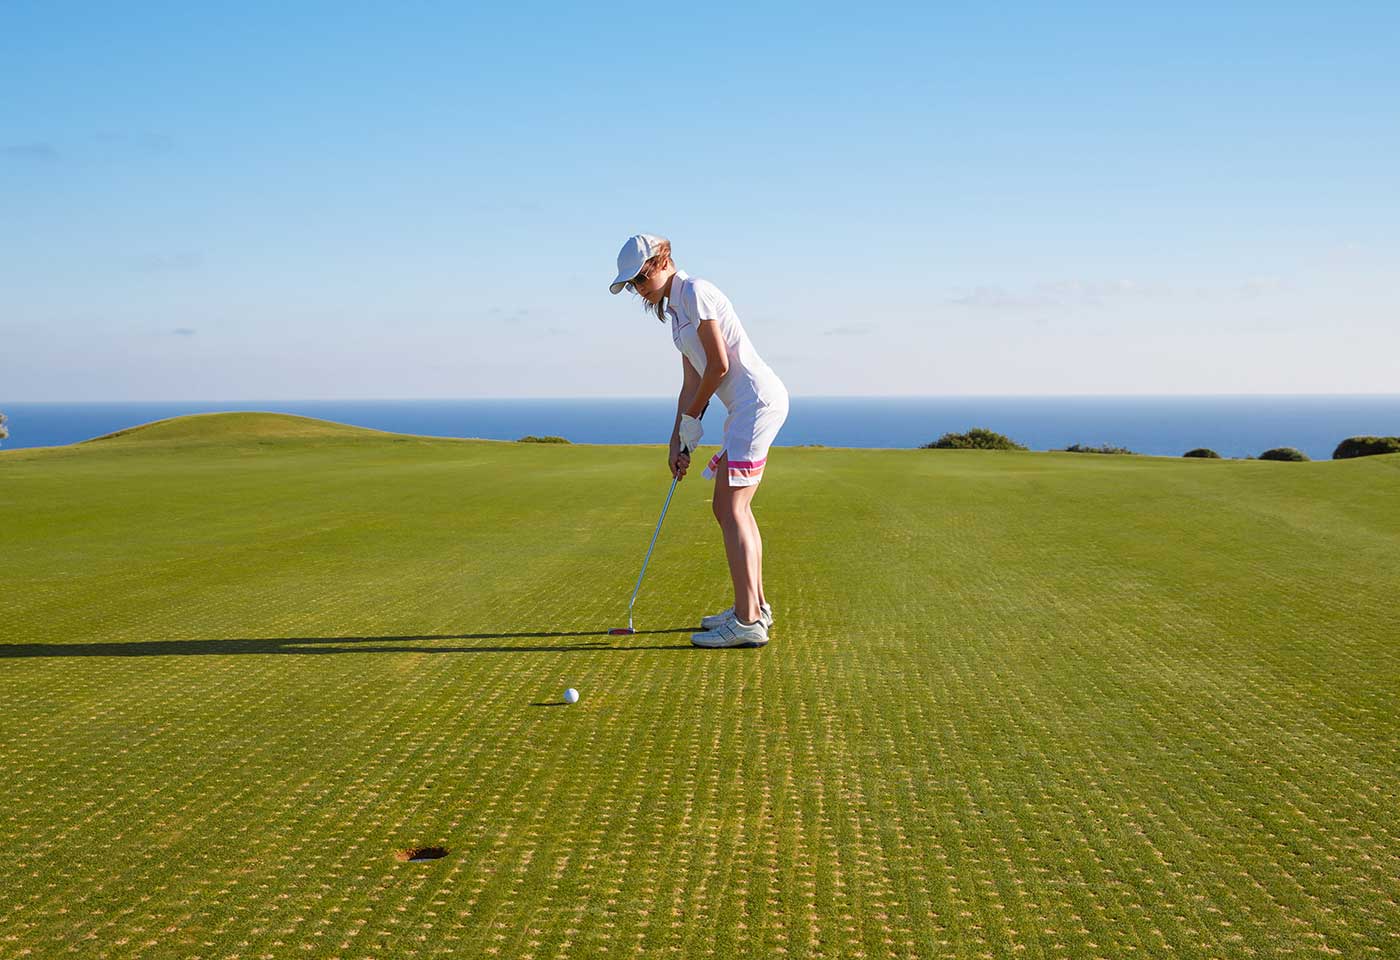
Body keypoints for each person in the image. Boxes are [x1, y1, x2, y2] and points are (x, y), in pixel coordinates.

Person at [610, 234, 790, 648]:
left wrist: (694, 419)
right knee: (730, 506)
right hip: (743, 409)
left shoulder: (695, 291)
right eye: (632, 285)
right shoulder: (675, 312)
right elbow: (691, 380)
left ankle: (747, 621)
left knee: (730, 505)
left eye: (638, 279)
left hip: (756, 404)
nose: (638, 289)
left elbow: (719, 366)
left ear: (660, 262)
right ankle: (755, 607)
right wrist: (677, 439)